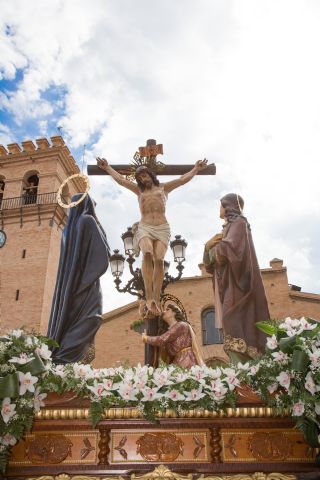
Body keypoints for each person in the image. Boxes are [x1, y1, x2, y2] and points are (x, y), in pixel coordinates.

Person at [97, 157, 207, 316]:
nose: (143, 179)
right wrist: (107, 167)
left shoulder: (164, 188)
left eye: (145, 175)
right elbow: (120, 180)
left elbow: (182, 179)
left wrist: (196, 169)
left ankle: (156, 297)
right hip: (145, 227)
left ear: (150, 174)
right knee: (147, 253)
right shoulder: (139, 191)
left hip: (162, 227)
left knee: (159, 260)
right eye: (140, 177)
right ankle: (149, 295)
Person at [204, 193, 269, 361]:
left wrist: (211, 246)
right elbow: (211, 265)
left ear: (228, 206)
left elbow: (232, 249)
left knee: (233, 321)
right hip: (228, 283)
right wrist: (208, 248)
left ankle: (244, 369)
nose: (219, 209)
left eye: (221, 206)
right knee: (230, 324)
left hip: (239, 285)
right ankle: (239, 371)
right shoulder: (227, 228)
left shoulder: (240, 223)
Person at [47, 193, 110, 364]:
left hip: (70, 288)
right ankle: (64, 362)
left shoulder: (67, 229)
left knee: (76, 322)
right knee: (92, 319)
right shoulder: (87, 220)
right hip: (86, 285)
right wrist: (86, 281)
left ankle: (62, 363)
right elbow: (104, 253)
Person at [141, 304, 204, 368]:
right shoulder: (170, 330)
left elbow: (162, 339)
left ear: (174, 313)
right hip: (177, 361)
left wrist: (145, 338)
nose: (164, 312)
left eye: (167, 310)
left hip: (186, 359)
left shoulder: (181, 325)